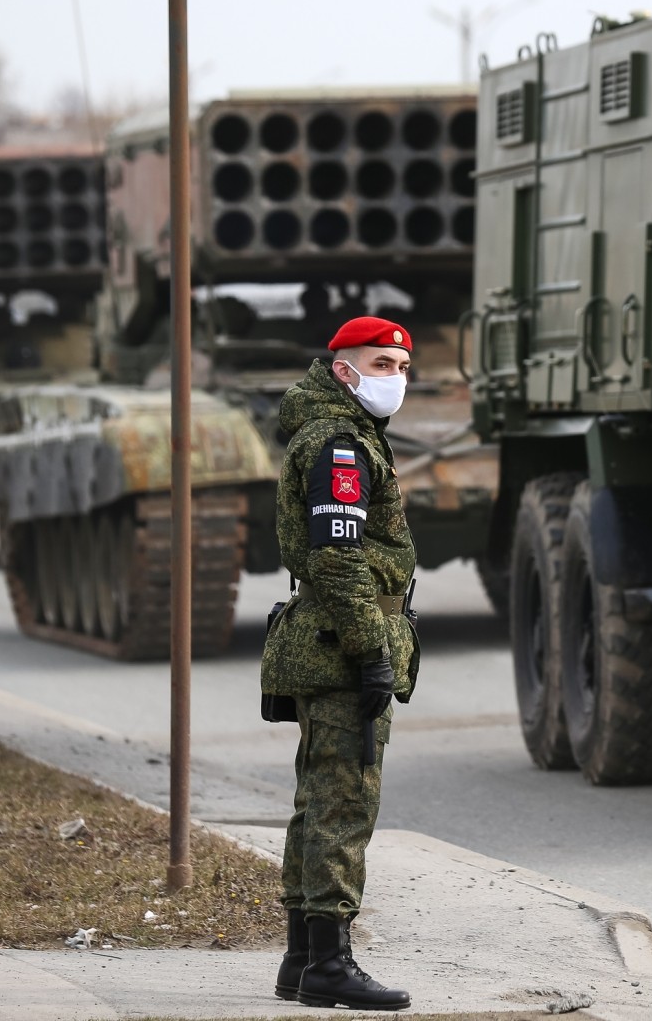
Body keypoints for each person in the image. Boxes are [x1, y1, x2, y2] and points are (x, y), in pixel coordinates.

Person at [262, 315, 419, 1011]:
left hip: (323, 642)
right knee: (342, 803)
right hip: (339, 648)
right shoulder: (339, 445)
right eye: (383, 365)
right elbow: (336, 555)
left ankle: (302, 960)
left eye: (404, 367)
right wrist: (371, 650)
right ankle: (329, 963)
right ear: (345, 370)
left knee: (317, 800)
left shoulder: (341, 433)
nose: (398, 379)